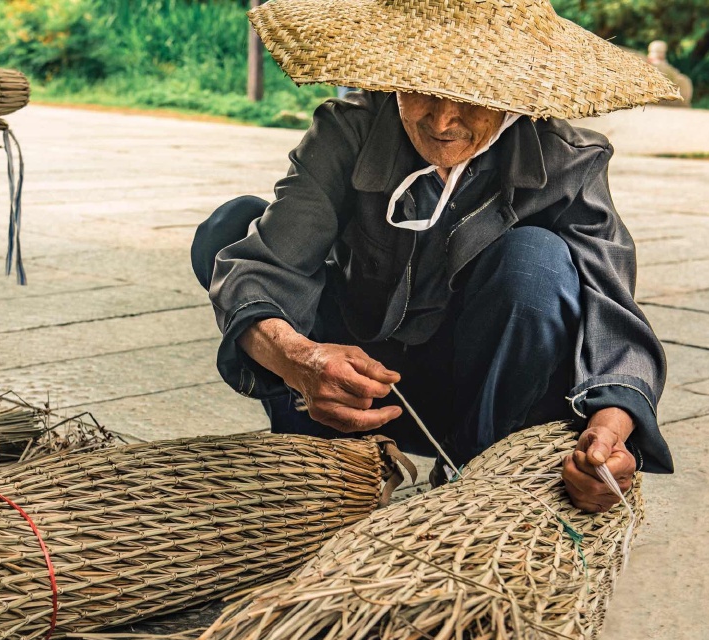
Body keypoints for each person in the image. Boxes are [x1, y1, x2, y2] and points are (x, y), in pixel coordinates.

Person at [191, 0, 680, 512]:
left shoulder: (566, 159)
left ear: (516, 88)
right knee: (230, 228)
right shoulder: (349, 130)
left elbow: (613, 313)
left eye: (471, 95)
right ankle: (323, 459)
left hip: (485, 392)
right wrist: (299, 359)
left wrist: (611, 428)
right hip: (360, 381)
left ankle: (472, 473)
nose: (443, 119)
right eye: (423, 87)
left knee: (535, 260)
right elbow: (271, 262)